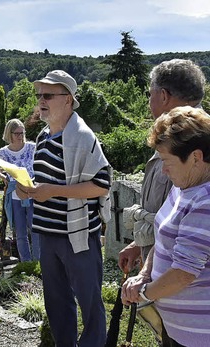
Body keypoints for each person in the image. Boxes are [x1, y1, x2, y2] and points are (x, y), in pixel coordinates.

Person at [17, 70, 111, 346]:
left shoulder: (83, 137)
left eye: (48, 95)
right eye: (40, 95)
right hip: (48, 236)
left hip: (77, 238)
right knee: (57, 306)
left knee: (91, 305)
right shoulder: (45, 136)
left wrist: (53, 191)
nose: (41, 100)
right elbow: (45, 183)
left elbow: (102, 185)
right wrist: (29, 189)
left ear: (68, 99)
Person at [121, 106, 210, 347]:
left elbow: (184, 273)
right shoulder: (182, 187)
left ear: (195, 157)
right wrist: (145, 274)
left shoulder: (205, 202)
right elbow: (162, 239)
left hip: (199, 336)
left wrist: (142, 294)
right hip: (176, 330)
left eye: (167, 161)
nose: (163, 169)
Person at [118, 59, 207, 272]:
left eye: (150, 94)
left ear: (164, 96)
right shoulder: (176, 133)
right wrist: (139, 243)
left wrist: (148, 281)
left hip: (180, 275)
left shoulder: (197, 139)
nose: (149, 102)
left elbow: (193, 225)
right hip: (162, 263)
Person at [0, 119, 39, 261]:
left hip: (32, 193)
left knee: (35, 230)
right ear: (9, 134)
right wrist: (3, 177)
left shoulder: (32, 147)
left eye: (22, 133)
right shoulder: (3, 152)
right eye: (17, 133)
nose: (20, 136)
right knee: (20, 232)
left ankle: (38, 262)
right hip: (15, 195)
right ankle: (25, 263)